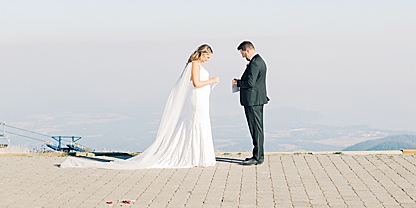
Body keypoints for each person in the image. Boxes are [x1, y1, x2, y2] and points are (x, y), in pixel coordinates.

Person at [61, 45, 217, 169]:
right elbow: (196, 83)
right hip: (198, 99)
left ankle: (198, 155)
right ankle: (197, 156)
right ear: (202, 54)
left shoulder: (196, 64)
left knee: (199, 124)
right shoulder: (195, 64)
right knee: (197, 124)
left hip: (202, 98)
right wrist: (211, 80)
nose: (207, 60)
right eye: (207, 56)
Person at [232, 42, 268, 165]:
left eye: (242, 53)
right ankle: (257, 155)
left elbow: (250, 83)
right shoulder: (259, 61)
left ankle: (258, 157)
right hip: (257, 99)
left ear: (247, 50)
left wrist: (238, 83)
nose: (243, 57)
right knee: (256, 128)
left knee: (255, 128)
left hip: (253, 100)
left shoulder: (255, 63)